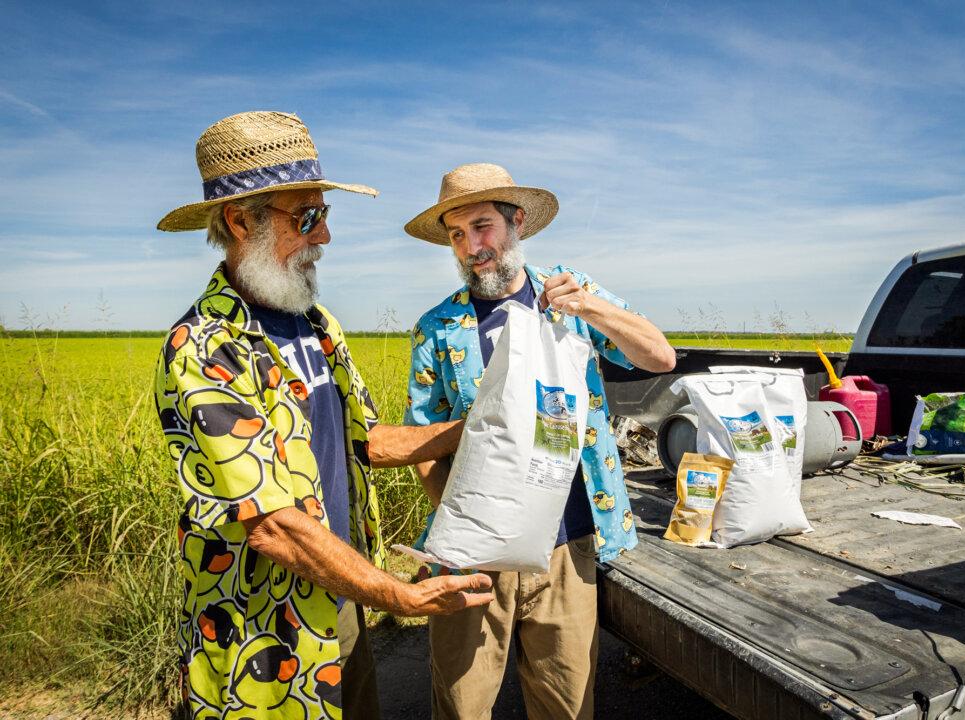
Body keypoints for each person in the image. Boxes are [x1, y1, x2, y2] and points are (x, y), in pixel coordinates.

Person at [154, 112, 493, 720]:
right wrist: (396, 594)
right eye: (306, 217)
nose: (325, 236)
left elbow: (367, 439)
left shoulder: (316, 323)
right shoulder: (203, 349)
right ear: (239, 221)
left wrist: (474, 431)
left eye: (325, 214)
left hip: (340, 588)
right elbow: (272, 524)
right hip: (261, 621)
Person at [403, 162, 676, 719]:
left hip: (568, 548)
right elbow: (420, 439)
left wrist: (589, 306)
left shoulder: (571, 296)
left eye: (482, 226)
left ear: (516, 223)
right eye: (456, 234)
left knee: (566, 706)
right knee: (461, 706)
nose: (470, 246)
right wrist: (462, 528)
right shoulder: (438, 327)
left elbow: (660, 356)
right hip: (472, 560)